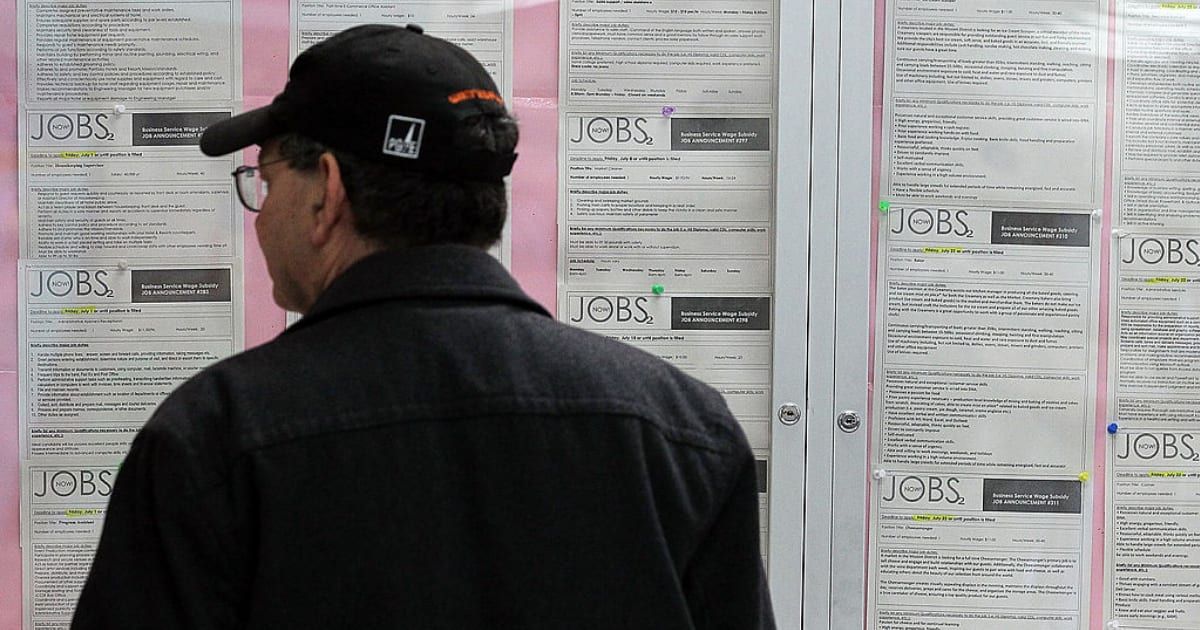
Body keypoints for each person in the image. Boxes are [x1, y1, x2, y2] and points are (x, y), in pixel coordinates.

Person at [72, 24, 774, 629]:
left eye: (267, 179)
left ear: (327, 192)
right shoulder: (684, 430)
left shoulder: (212, 440)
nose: (262, 211)